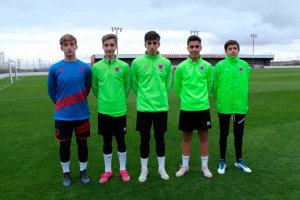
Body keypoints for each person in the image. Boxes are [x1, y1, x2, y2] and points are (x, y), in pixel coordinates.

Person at [47, 34, 91, 187]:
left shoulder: (85, 68)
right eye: (66, 45)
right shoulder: (54, 68)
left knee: (83, 145)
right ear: (62, 48)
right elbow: (52, 91)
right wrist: (62, 105)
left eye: (72, 44)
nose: (69, 47)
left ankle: (83, 170)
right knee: (64, 146)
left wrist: (77, 101)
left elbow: (87, 87)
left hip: (82, 114)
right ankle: (66, 173)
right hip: (63, 116)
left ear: (76, 46)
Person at [131, 31, 172, 182]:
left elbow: (167, 84)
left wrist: (160, 96)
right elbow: (134, 85)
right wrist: (144, 97)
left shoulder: (166, 63)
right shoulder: (137, 62)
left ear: (159, 44)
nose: (152, 46)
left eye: (155, 43)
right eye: (149, 43)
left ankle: (161, 168)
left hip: (161, 108)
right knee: (144, 139)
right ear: (145, 45)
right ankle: (144, 170)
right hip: (144, 108)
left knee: (160, 139)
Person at [92, 34, 131, 184]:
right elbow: (95, 88)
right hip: (104, 111)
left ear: (116, 46)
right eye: (106, 45)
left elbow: (127, 87)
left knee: (121, 140)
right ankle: (107, 170)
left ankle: (123, 169)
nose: (109, 48)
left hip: (120, 110)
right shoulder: (96, 67)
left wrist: (119, 99)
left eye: (111, 45)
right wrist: (104, 100)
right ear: (103, 46)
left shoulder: (123, 66)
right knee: (106, 140)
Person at [174, 35, 213, 178]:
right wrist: (186, 99)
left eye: (197, 46)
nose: (194, 49)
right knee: (186, 137)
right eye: (192, 46)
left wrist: (200, 98)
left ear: (200, 48)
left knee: (204, 136)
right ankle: (185, 166)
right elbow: (177, 87)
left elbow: (209, 85)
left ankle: (204, 167)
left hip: (202, 107)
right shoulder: (181, 67)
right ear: (188, 48)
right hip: (187, 108)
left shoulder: (207, 66)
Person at [213, 40, 252, 174]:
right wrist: (221, 100)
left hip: (240, 107)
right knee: (223, 134)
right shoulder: (220, 66)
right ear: (225, 51)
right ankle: (222, 160)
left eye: (235, 48)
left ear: (238, 50)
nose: (232, 51)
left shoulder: (244, 65)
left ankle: (239, 160)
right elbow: (215, 86)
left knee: (239, 135)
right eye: (230, 48)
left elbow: (245, 83)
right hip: (224, 106)